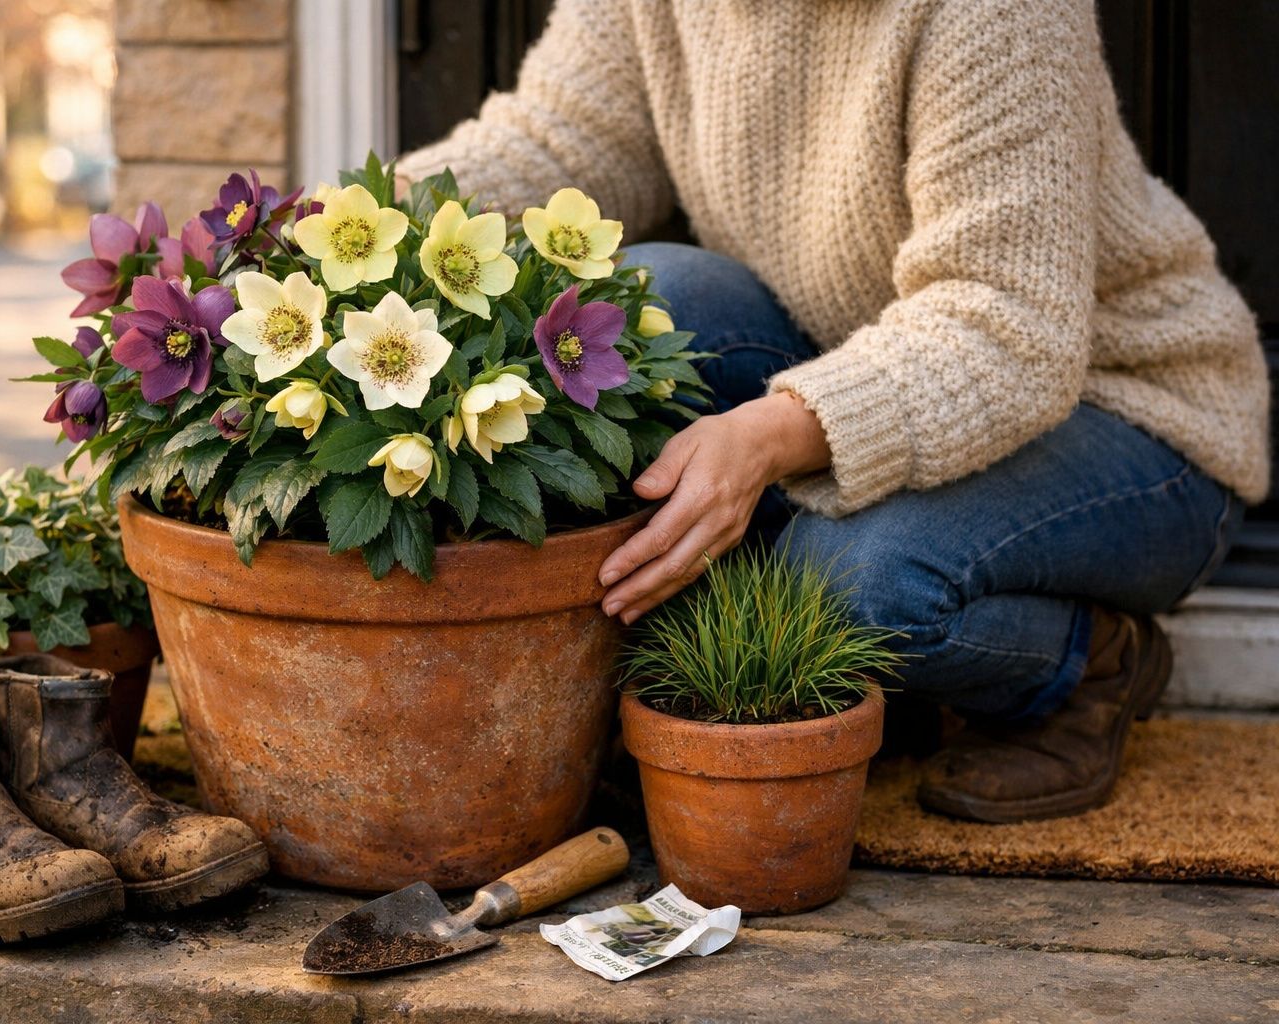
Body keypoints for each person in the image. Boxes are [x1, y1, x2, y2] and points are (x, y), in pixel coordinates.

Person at [394, 0, 1271, 823]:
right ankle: (903, 684)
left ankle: (1087, 665)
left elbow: (1006, 327)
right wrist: (336, 229)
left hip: (1127, 415)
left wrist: (766, 438)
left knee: (842, 587)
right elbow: (562, 143)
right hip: (866, 363)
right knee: (649, 305)